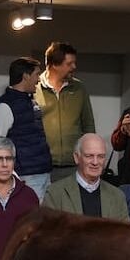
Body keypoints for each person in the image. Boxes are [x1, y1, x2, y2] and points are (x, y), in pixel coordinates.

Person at [0, 57, 52, 199]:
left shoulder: (30, 101)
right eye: (37, 74)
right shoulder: (5, 106)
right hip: (26, 176)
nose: (39, 80)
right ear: (26, 76)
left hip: (43, 173)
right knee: (29, 219)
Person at [35, 41, 96, 179]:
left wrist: (90, 157)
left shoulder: (80, 88)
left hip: (73, 166)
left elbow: (88, 125)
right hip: (41, 167)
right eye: (69, 64)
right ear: (54, 65)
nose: (74, 67)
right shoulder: (34, 88)